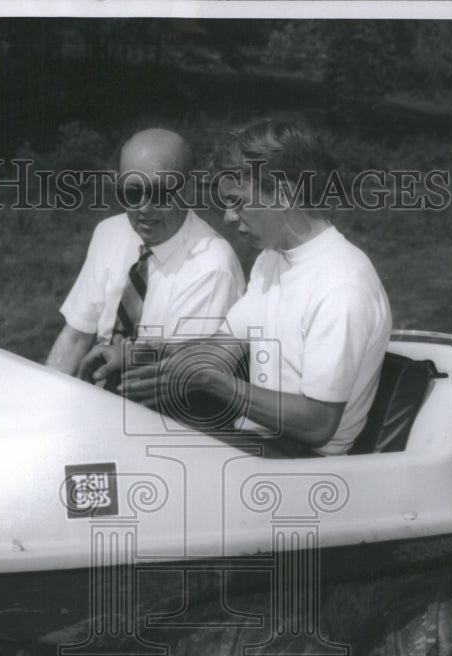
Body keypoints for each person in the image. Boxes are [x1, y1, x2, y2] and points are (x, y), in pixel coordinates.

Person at [121, 120, 391, 456]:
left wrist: (212, 381)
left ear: (284, 192)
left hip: (306, 464)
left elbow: (319, 423)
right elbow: (224, 347)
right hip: (256, 444)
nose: (229, 219)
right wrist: (138, 355)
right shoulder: (271, 259)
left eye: (237, 202)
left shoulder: (342, 285)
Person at [45, 129, 244, 382]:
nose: (144, 208)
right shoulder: (110, 234)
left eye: (160, 194)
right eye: (132, 193)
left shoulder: (213, 267)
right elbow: (76, 337)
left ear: (189, 190)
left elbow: (180, 381)